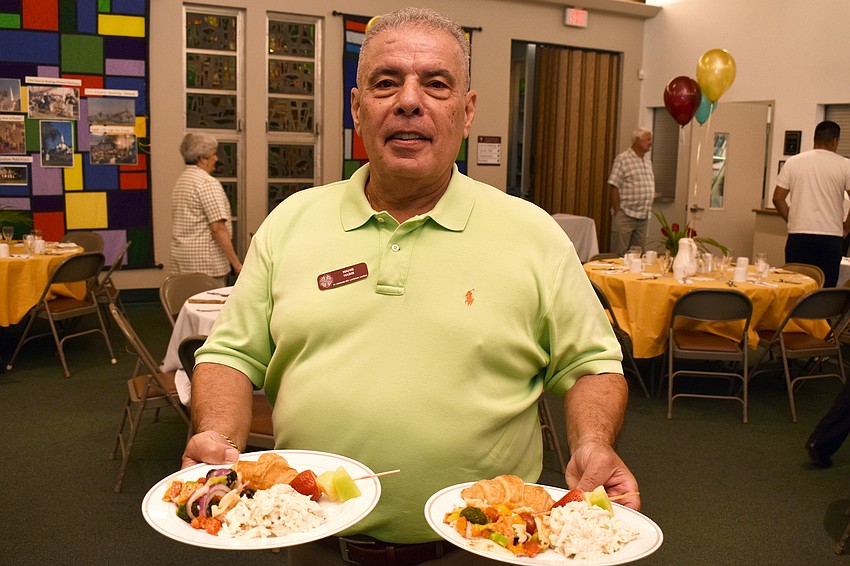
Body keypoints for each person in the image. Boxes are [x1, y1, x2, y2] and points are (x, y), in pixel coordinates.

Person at [182, 8, 639, 565]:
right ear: (357, 108)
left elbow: (592, 363)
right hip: (311, 540)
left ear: (467, 111)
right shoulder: (290, 223)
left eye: (437, 84)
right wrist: (216, 439)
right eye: (386, 82)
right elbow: (230, 354)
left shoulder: (534, 235)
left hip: (483, 548)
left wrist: (593, 443)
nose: (409, 101)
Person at [773, 120, 850, 287]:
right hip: (830, 238)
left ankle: (794, 314)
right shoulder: (845, 165)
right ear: (835, 141)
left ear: (814, 139)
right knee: (825, 288)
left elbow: (778, 198)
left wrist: (791, 219)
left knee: (795, 286)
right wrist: (846, 228)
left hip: (799, 236)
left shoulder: (794, 162)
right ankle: (822, 314)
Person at [170, 132, 242, 284]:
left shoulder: (182, 181)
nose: (216, 159)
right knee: (211, 307)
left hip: (182, 261)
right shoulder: (206, 183)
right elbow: (218, 228)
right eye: (214, 154)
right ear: (202, 158)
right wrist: (237, 265)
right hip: (206, 267)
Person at [607, 128, 655, 256]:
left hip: (643, 216)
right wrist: (617, 211)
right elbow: (614, 186)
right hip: (626, 215)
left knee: (638, 255)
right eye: (648, 139)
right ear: (637, 140)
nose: (651, 143)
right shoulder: (623, 159)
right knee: (620, 254)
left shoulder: (647, 160)